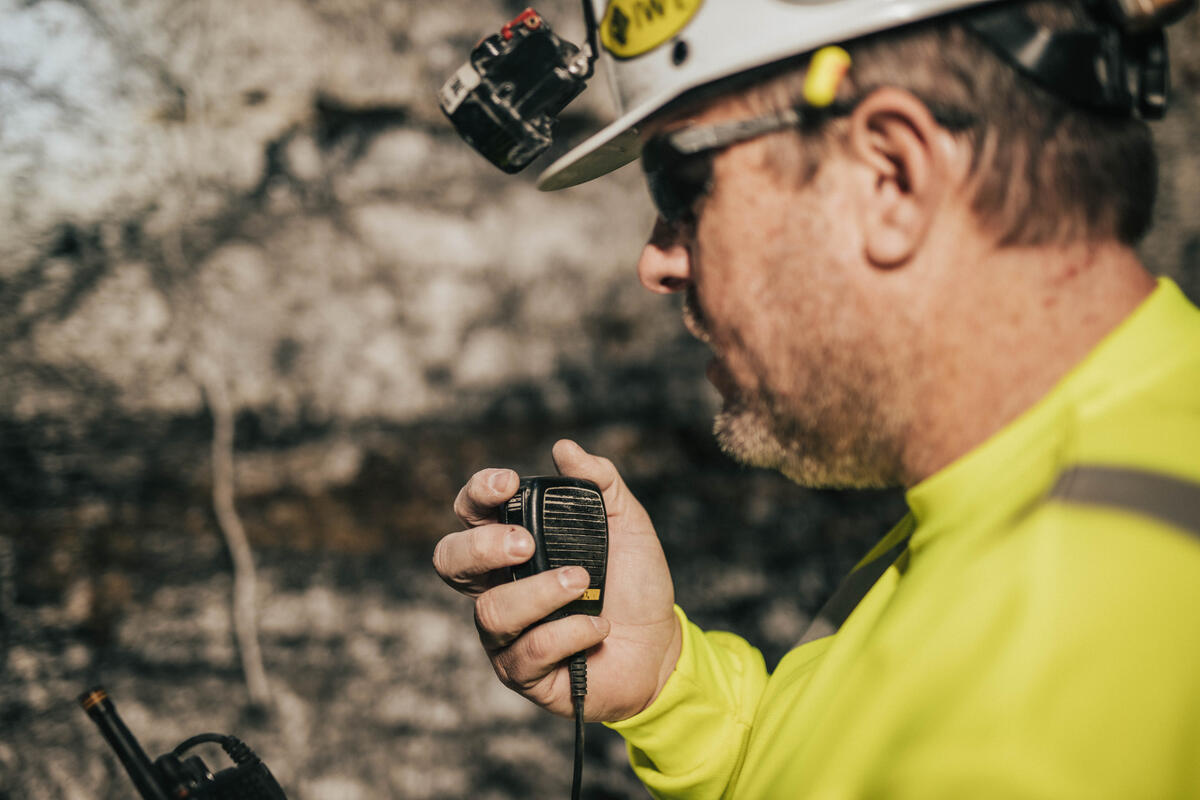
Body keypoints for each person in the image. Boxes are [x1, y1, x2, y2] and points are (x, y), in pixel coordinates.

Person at [434, 0, 1200, 796]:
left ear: (891, 177)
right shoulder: (1061, 483)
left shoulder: (1042, 692)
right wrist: (667, 689)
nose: (656, 262)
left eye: (681, 184)